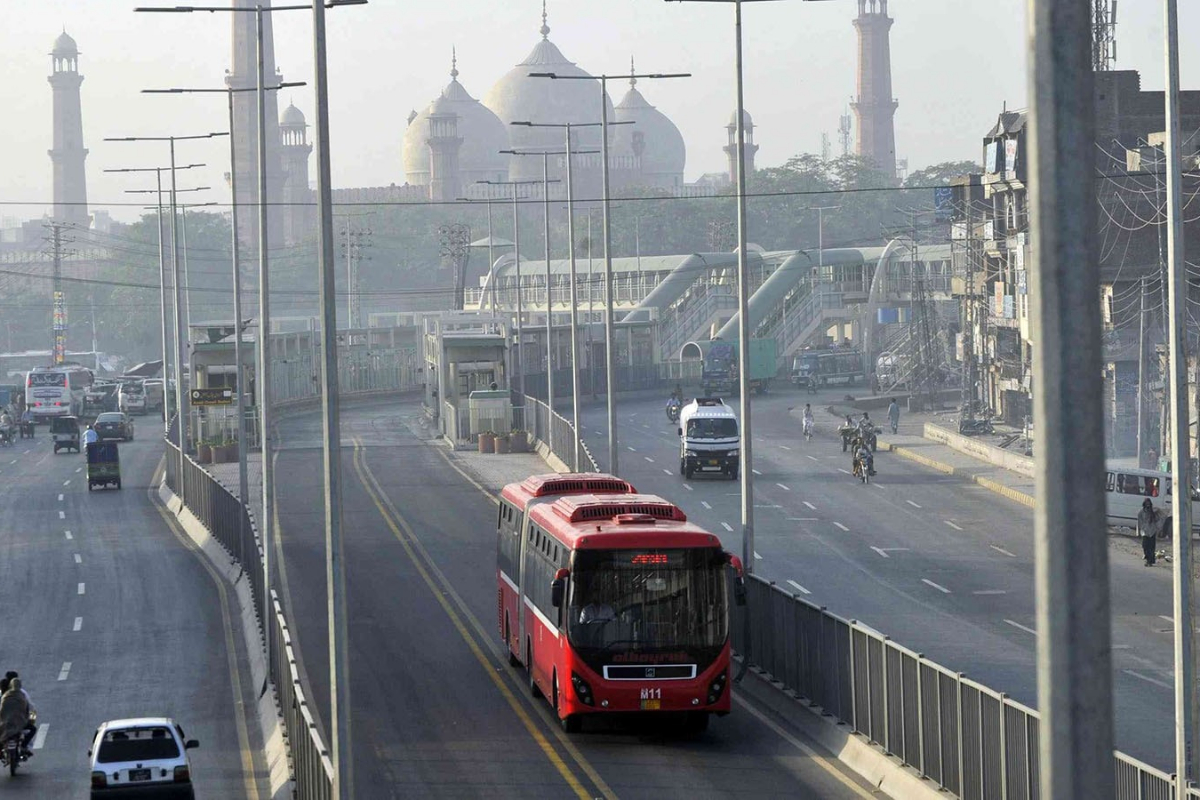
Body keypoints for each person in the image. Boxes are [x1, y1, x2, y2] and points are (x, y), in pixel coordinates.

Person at [0, 677, 34, 757]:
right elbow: (29, 708)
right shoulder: (22, 696)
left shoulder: (5, 697)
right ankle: (23, 747)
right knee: (32, 729)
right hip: (20, 723)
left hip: (5, 723)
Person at [1138, 498, 1161, 566]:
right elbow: (1139, 521)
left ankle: (1150, 561)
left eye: (1149, 503)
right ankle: (1148, 558)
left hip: (1152, 531)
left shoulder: (1153, 512)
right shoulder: (1141, 512)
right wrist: (1141, 529)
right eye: (1146, 503)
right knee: (1145, 546)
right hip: (1145, 532)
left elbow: (1157, 519)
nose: (1147, 505)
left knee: (1151, 547)